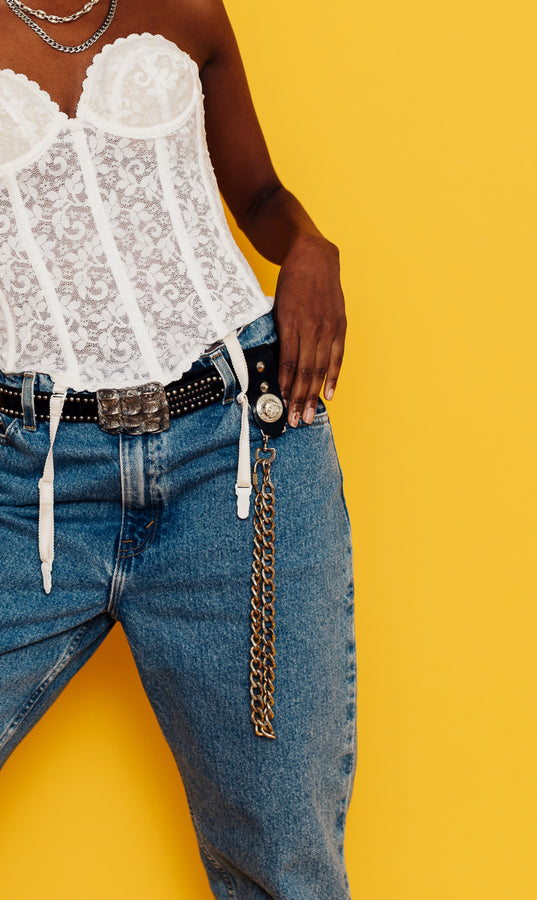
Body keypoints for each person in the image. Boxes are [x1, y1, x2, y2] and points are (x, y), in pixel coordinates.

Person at [0, 1, 356, 898]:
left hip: (238, 456)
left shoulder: (185, 5)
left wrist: (310, 247)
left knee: (283, 861)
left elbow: (260, 195)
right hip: (32, 482)